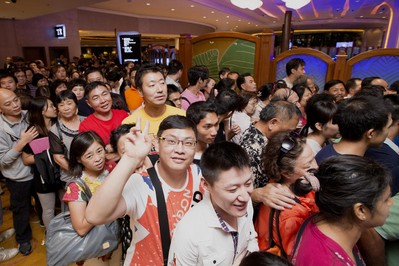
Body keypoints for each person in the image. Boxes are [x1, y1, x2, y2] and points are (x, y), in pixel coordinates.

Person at [86, 116, 204, 265]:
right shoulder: (141, 182)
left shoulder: (203, 178)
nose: (180, 150)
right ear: (157, 143)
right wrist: (130, 158)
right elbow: (94, 216)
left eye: (188, 143)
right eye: (171, 141)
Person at [291, 155, 393, 266]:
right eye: (386, 199)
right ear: (361, 211)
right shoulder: (328, 261)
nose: (391, 202)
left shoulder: (319, 220)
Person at [168, 142, 258, 265]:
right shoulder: (189, 233)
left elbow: (251, 239)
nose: (245, 197)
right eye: (232, 190)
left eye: (248, 184)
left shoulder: (244, 204)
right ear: (206, 185)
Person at [255, 132, 319, 258]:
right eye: (308, 165)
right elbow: (300, 257)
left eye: (313, 158)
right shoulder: (291, 214)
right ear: (286, 173)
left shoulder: (282, 181)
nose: (316, 166)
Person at [62, 131, 115, 265]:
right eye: (89, 156)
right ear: (79, 159)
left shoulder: (112, 168)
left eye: (99, 150)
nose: (98, 158)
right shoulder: (76, 187)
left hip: (116, 236)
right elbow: (81, 228)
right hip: (94, 246)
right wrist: (105, 205)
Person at [0, 88, 38, 255]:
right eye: (8, 104)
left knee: (40, 202)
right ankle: (23, 239)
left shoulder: (28, 115)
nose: (15, 105)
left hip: (36, 169)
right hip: (17, 177)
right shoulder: (1, 129)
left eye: (15, 100)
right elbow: (3, 160)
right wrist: (22, 142)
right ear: (1, 109)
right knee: (20, 210)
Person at [239, 100, 300, 198]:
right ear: (273, 123)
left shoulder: (254, 130)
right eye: (288, 131)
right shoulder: (253, 149)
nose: (288, 135)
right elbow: (248, 193)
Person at [21, 97, 60, 230]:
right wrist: (48, 155)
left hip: (62, 173)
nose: (55, 107)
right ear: (41, 111)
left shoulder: (59, 125)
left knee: (67, 206)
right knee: (48, 210)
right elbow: (26, 159)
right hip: (43, 177)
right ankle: (52, 238)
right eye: (50, 106)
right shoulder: (32, 132)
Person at [316, 95, 392, 164]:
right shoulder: (351, 171)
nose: (387, 132)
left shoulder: (327, 151)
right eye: (387, 127)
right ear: (371, 133)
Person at [122, 65, 185, 137]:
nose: (160, 90)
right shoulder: (130, 124)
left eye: (162, 83)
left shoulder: (182, 116)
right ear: (140, 91)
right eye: (152, 85)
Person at [79, 81, 128, 160]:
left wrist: (115, 154)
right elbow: (93, 156)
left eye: (105, 94)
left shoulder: (123, 115)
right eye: (95, 98)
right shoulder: (86, 126)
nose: (103, 100)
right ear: (89, 103)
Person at [49, 90, 85, 184]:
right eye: (61, 105)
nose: (66, 108)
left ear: (76, 105)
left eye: (69, 103)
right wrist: (80, 173)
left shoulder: (86, 121)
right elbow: (59, 158)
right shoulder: (55, 130)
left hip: (94, 170)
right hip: (71, 177)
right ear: (58, 108)